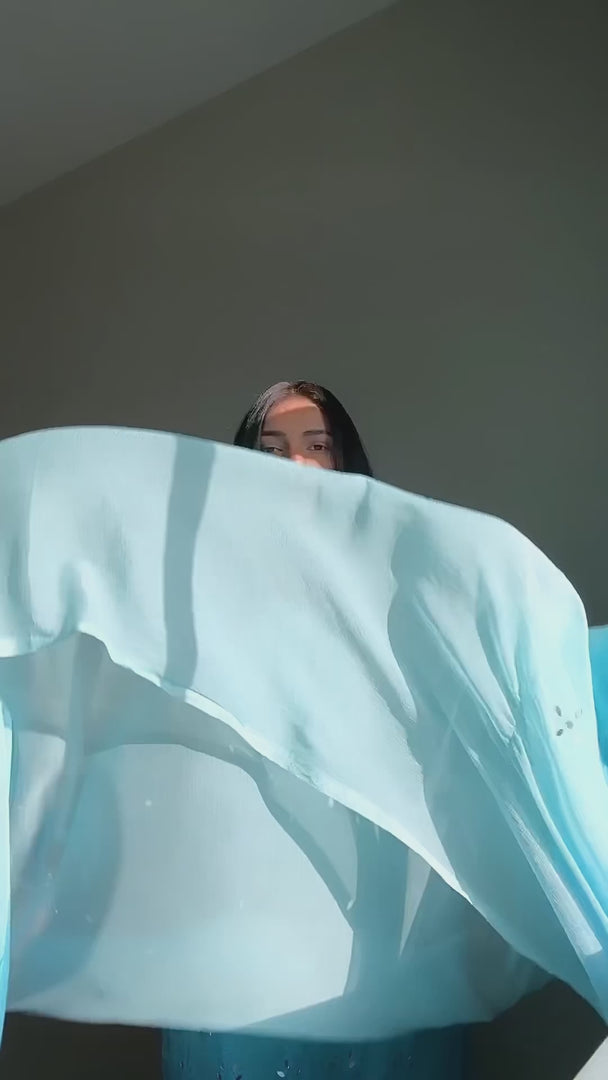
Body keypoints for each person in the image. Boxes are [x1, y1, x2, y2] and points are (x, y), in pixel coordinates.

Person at [162, 382, 463, 1080]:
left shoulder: (395, 585)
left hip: (373, 875)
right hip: (242, 880)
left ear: (344, 462)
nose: (295, 465)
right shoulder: (202, 589)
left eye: (316, 445)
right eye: (271, 451)